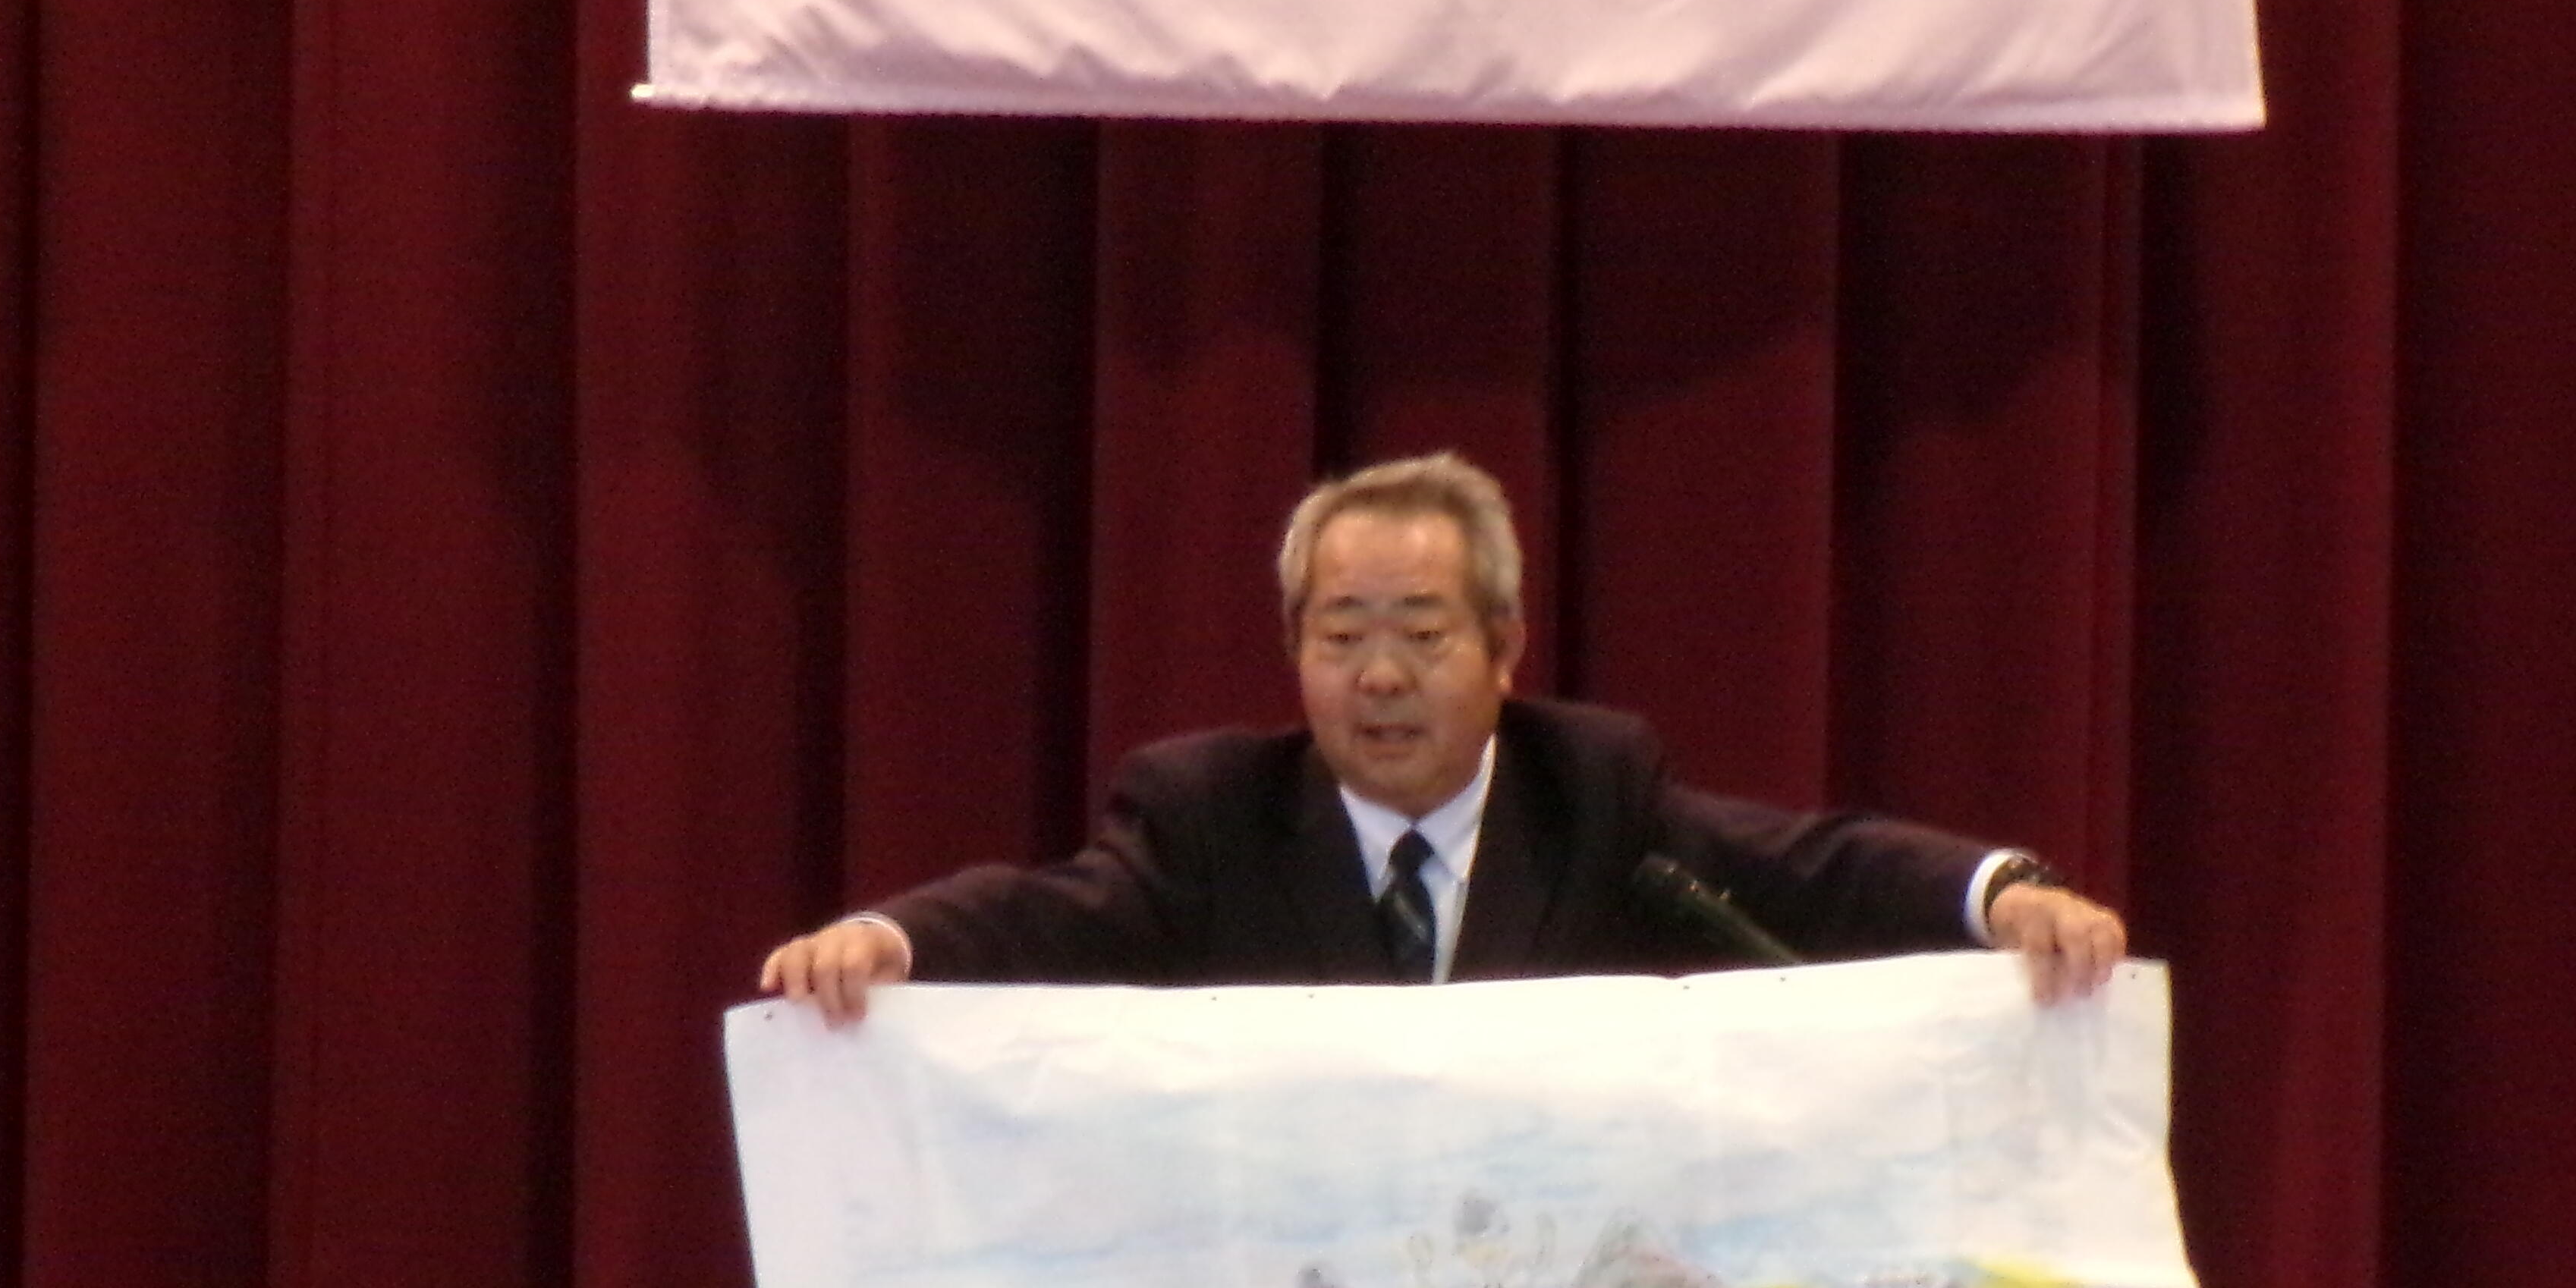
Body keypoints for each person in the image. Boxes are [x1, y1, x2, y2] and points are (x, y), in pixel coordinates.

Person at [759, 453, 2127, 1020]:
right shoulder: (1210, 813)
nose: (1380, 677)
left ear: (1504, 647)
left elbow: (1806, 866)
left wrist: (2004, 895)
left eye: (1421, 633)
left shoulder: (1592, 790)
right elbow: (1051, 915)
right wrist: (889, 941)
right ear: (1294, 651)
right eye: (1340, 636)